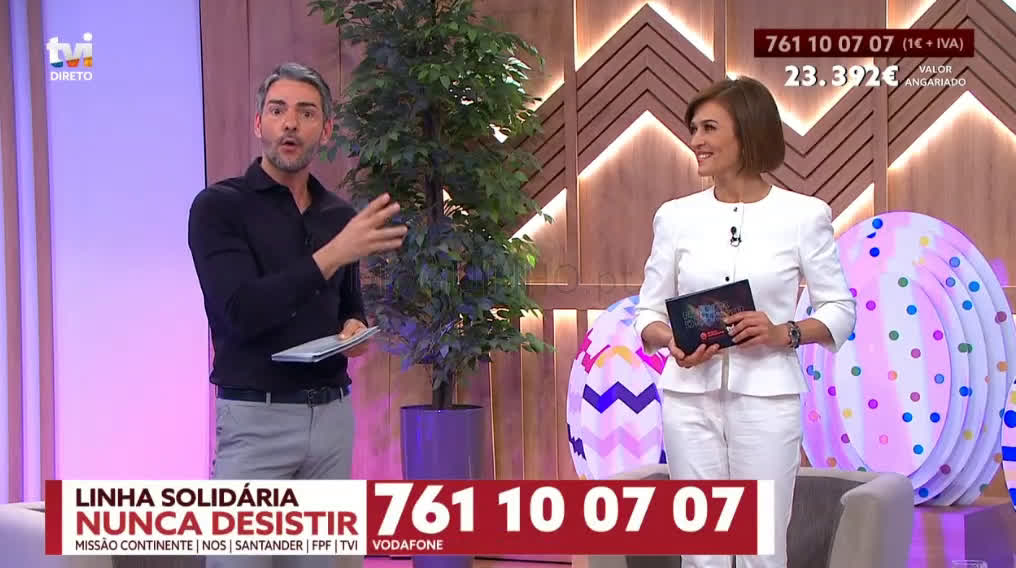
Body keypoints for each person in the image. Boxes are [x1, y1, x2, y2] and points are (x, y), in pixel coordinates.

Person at [188, 62, 407, 568]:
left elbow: (348, 306)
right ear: (258, 123)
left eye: (306, 113)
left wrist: (354, 329)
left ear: (325, 130)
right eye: (278, 110)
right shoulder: (218, 208)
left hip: (331, 422)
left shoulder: (338, 216)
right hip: (255, 424)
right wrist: (333, 253)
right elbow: (240, 312)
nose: (290, 123)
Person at [633, 76, 856, 568]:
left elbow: (840, 310)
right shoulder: (675, 217)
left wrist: (784, 333)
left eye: (709, 128)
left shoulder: (803, 215)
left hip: (768, 399)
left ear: (748, 132)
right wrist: (670, 341)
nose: (696, 140)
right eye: (693, 129)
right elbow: (647, 313)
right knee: (702, 548)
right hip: (688, 400)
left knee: (761, 547)